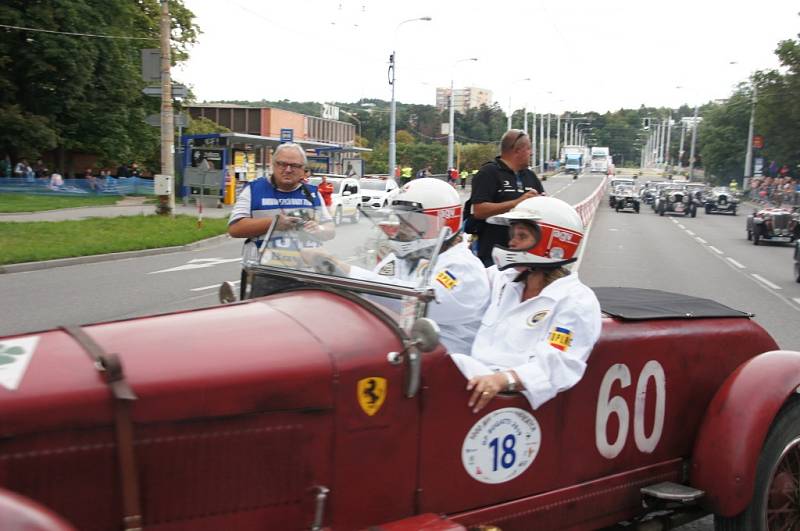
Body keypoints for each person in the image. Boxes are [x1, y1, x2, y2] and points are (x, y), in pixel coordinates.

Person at [450, 196, 602, 413]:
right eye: (512, 235)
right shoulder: (503, 280)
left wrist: (504, 379)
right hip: (472, 388)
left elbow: (559, 365)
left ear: (554, 243)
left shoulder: (575, 300)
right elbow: (462, 284)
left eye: (522, 236)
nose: (512, 242)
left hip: (517, 404)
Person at [305, 178, 490, 353]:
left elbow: (417, 302)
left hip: (447, 360)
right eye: (401, 220)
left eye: (412, 222)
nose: (402, 228)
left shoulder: (462, 267)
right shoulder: (405, 257)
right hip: (401, 347)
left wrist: (344, 269)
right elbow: (372, 295)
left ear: (444, 222)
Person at [228, 142, 333, 298]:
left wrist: (319, 229)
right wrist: (273, 224)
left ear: (303, 169)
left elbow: (330, 229)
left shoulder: (311, 193)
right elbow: (235, 228)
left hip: (306, 274)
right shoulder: (254, 190)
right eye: (282, 164)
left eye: (294, 166)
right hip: (265, 274)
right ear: (273, 165)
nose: (288, 170)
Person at [469, 129, 545, 266]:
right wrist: (517, 203)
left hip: (526, 256)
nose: (531, 153)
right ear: (517, 150)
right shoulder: (488, 173)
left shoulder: (530, 176)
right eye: (528, 149)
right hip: (493, 255)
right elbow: (479, 211)